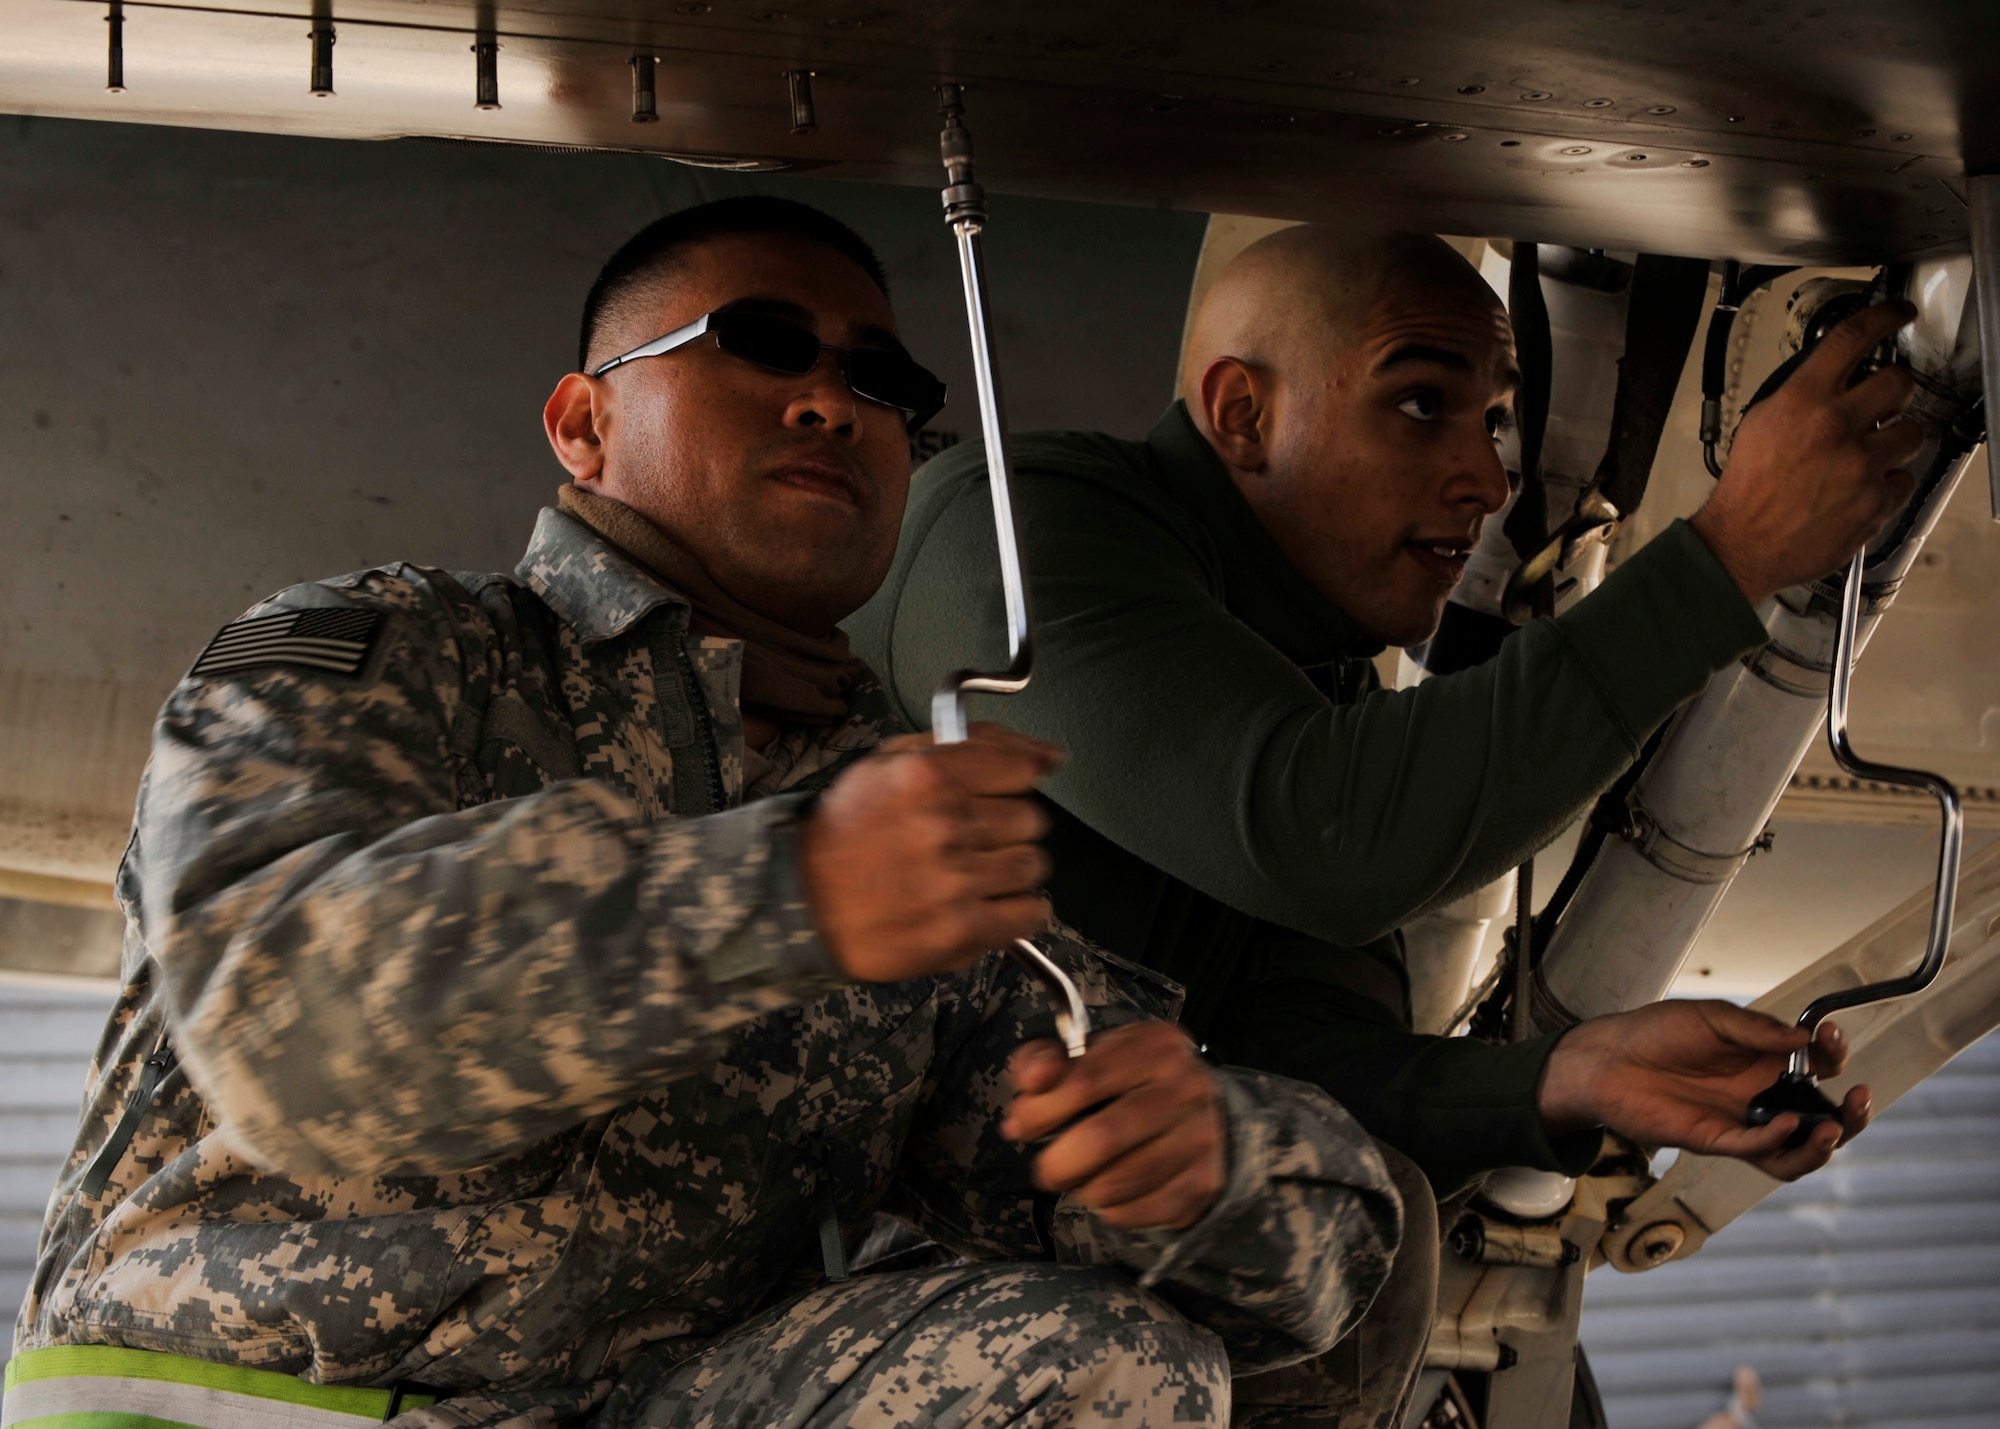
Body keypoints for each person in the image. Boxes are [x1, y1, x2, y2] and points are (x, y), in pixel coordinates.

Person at [10, 198, 1402, 1429]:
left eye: (880, 379)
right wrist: (784, 896)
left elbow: (1309, 1286)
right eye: (760, 343)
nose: (829, 401)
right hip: (233, 1403)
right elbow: (293, 1026)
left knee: (1112, 1364)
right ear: (583, 421)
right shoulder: (387, 651)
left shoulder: (901, 821)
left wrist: (1212, 1166)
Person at [849, 225, 1903, 1422]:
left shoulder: (1318, 681)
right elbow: (1320, 835)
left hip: (993, 1280)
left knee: (1361, 1217)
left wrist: (1563, 1080)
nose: (1486, 479)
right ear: (1239, 415)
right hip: (821, 1276)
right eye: (1418, 405)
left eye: (1494, 422)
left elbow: (1315, 1076)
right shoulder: (1012, 527)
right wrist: (1728, 556)